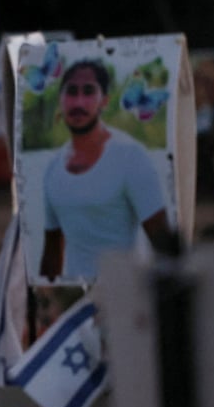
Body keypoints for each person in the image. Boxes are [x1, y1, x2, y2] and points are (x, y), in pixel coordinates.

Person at [39, 60, 174, 281]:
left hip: (127, 296)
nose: (79, 102)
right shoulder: (53, 169)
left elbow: (163, 242)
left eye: (89, 91)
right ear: (60, 101)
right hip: (78, 301)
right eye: (71, 92)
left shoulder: (131, 157)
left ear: (104, 101)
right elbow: (53, 249)